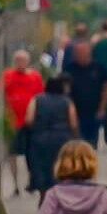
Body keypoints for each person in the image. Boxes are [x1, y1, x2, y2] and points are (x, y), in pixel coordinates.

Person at [0, 50, 45, 196]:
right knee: (12, 153)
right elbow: (0, 93)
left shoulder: (34, 76)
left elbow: (40, 96)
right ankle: (15, 185)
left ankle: (32, 181)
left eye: (23, 60)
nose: (20, 63)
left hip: (30, 121)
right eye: (18, 60)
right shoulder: (7, 75)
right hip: (13, 121)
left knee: (32, 153)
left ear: (28, 62)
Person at [25, 74, 79, 202]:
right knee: (59, 169)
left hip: (40, 139)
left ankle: (44, 197)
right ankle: (58, 197)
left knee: (41, 169)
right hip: (61, 140)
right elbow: (73, 124)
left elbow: (29, 120)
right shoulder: (67, 101)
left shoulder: (36, 99)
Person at [65, 41, 107, 148]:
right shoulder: (70, 69)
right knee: (77, 143)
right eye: (77, 53)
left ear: (88, 53)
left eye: (81, 53)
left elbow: (106, 88)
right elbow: (65, 90)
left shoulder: (99, 68)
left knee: (91, 144)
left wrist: (102, 108)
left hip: (94, 112)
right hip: (76, 113)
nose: (78, 56)